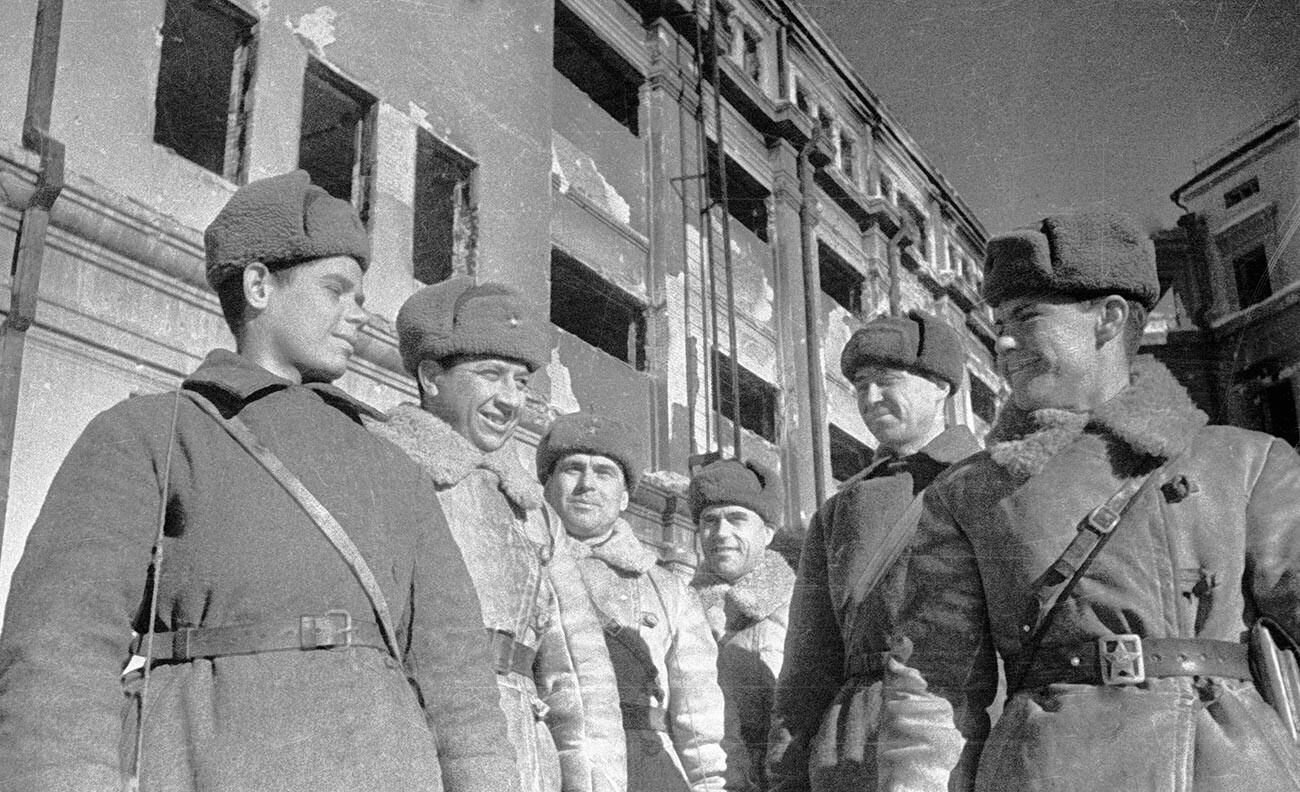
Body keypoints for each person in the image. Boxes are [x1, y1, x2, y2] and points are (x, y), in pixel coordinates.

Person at [0, 170, 518, 792]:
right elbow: (60, 651)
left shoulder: (394, 464)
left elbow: (458, 678)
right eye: (337, 290)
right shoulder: (154, 432)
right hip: (205, 763)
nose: (360, 314)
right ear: (258, 285)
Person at [880, 209, 1300, 791]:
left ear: (1108, 318)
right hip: (1048, 770)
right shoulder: (970, 492)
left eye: (1026, 318)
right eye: (999, 321)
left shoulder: (1246, 462)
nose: (1002, 341)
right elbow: (930, 688)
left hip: (1225, 770)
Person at [370, 278, 626, 792]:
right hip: (413, 745)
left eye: (522, 381)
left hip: (525, 759)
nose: (511, 400)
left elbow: (579, 679)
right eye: (491, 375)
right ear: (430, 376)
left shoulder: (533, 508)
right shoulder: (381, 469)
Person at [766, 311, 982, 792]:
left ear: (941, 387)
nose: (871, 398)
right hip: (849, 747)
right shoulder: (838, 509)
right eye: (861, 385)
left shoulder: (986, 483)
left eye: (887, 381)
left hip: (960, 735)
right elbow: (808, 660)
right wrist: (785, 772)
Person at [537, 412, 728, 792]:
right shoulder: (525, 568)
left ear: (625, 497)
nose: (586, 485)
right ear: (547, 487)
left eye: (604, 473)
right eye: (572, 469)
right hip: (549, 765)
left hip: (646, 770)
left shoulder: (669, 591)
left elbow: (699, 719)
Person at [688, 458, 795, 791]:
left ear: (767, 532)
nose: (721, 533)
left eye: (737, 519)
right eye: (710, 521)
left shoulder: (802, 606)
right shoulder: (679, 607)